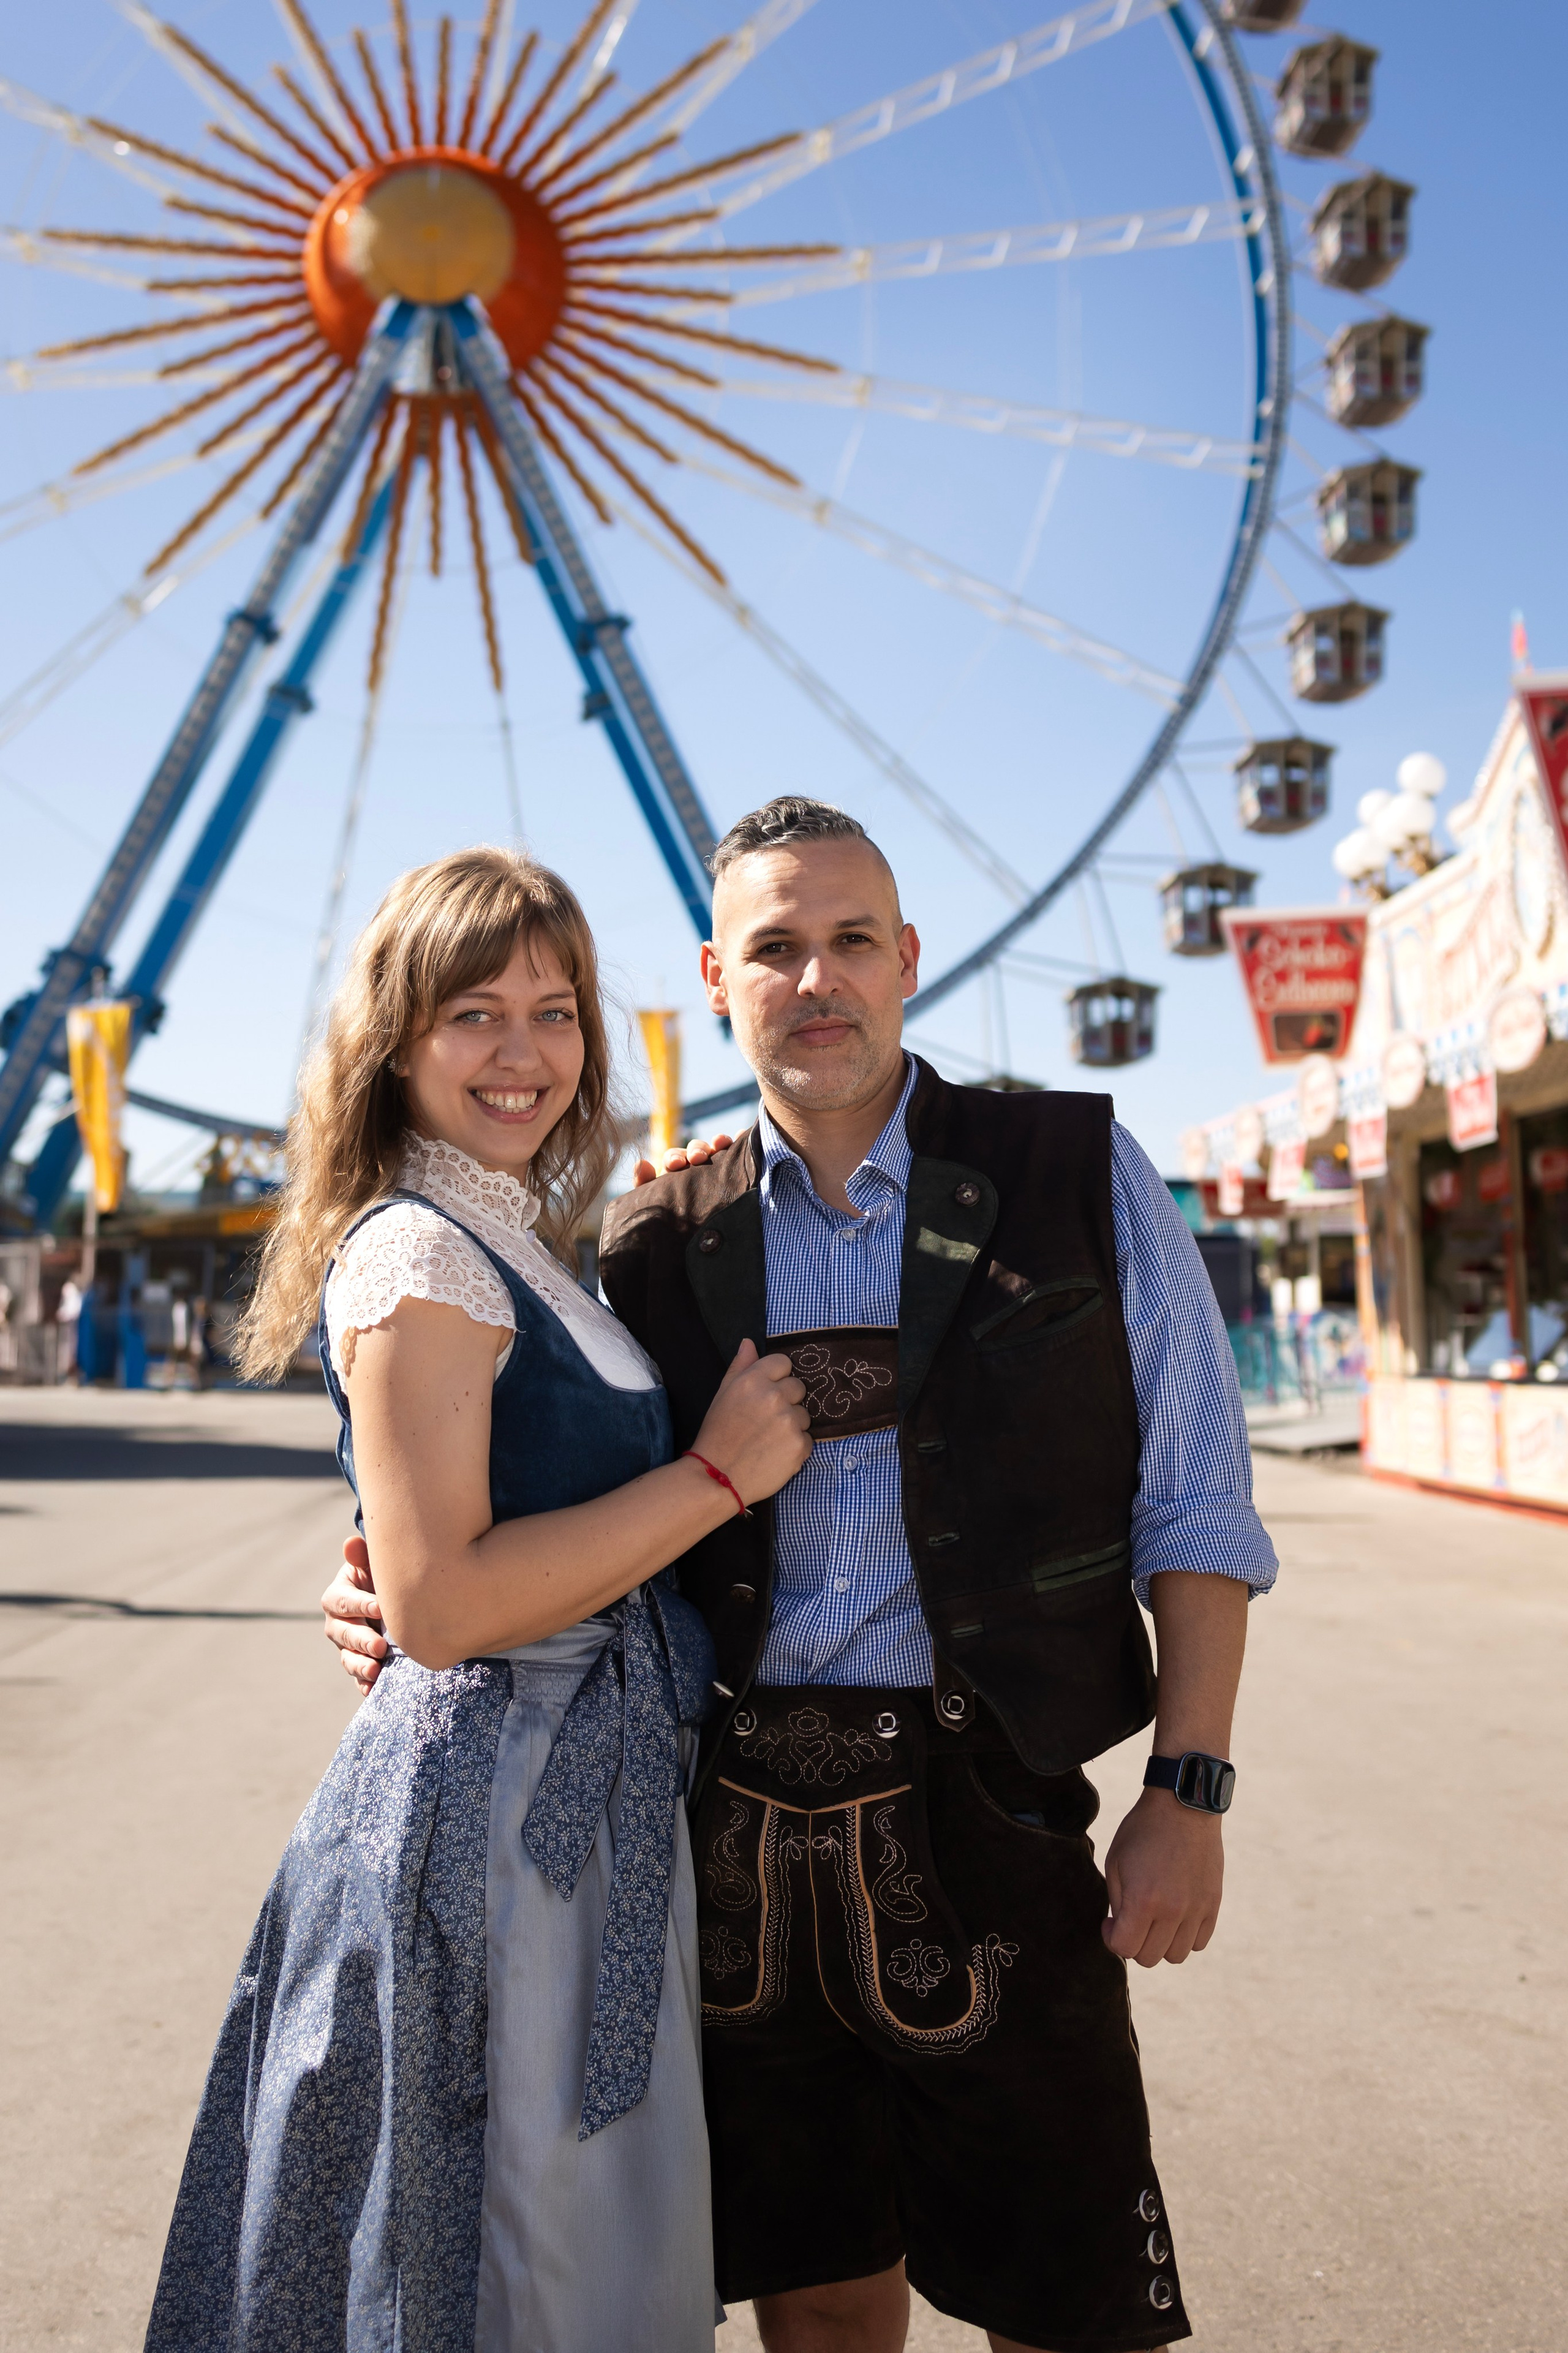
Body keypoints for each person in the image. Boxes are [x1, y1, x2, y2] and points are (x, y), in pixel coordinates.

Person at [326, 799, 1278, 2353]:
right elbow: (510, 1494)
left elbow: (1195, 1503)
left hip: (998, 1820)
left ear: (907, 959)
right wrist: (376, 1580)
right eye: (775, 947)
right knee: (822, 2306)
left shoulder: (1078, 1173)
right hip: (727, 1843)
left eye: (851, 941)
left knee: (1071, 2308)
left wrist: (1190, 1784)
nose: (816, 977)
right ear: (717, 978)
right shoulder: (649, 1239)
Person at [145, 847, 810, 2353]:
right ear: (395, 1039)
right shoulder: (421, 1251)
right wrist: (717, 1477)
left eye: (556, 1010)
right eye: (475, 1013)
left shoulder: (517, 1241)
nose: (526, 1053)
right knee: (522, 2240)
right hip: (502, 1819)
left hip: (573, 1789)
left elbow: (444, 1535)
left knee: (565, 2226)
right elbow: (441, 1605)